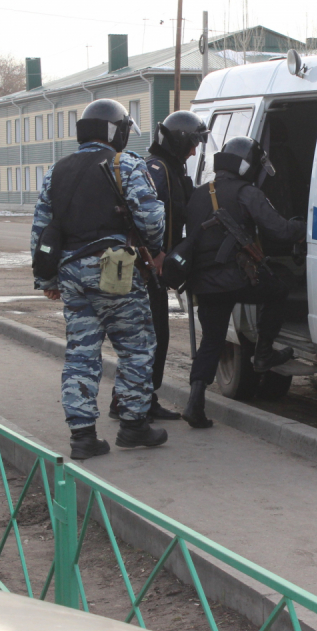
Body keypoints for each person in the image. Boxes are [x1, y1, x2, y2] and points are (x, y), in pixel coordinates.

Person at [31, 99, 166, 459]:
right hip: (115, 268)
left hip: (70, 271)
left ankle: (83, 437)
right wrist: (155, 250)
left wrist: (46, 279)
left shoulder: (57, 170)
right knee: (136, 345)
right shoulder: (126, 164)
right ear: (116, 132)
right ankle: (134, 426)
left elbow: (41, 229)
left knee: (81, 352)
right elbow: (152, 217)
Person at [182, 136, 306, 427]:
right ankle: (263, 353)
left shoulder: (200, 193)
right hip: (237, 279)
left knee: (211, 342)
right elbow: (279, 230)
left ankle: (194, 404)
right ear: (248, 165)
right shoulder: (247, 193)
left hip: (204, 283)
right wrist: (304, 226)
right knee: (277, 289)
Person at [108, 111, 208, 423]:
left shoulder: (171, 170)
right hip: (144, 268)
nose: (194, 151)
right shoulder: (156, 169)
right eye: (191, 144)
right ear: (178, 142)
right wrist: (156, 256)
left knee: (153, 335)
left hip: (153, 267)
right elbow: (147, 219)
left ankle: (132, 399)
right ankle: (137, 402)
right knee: (151, 337)